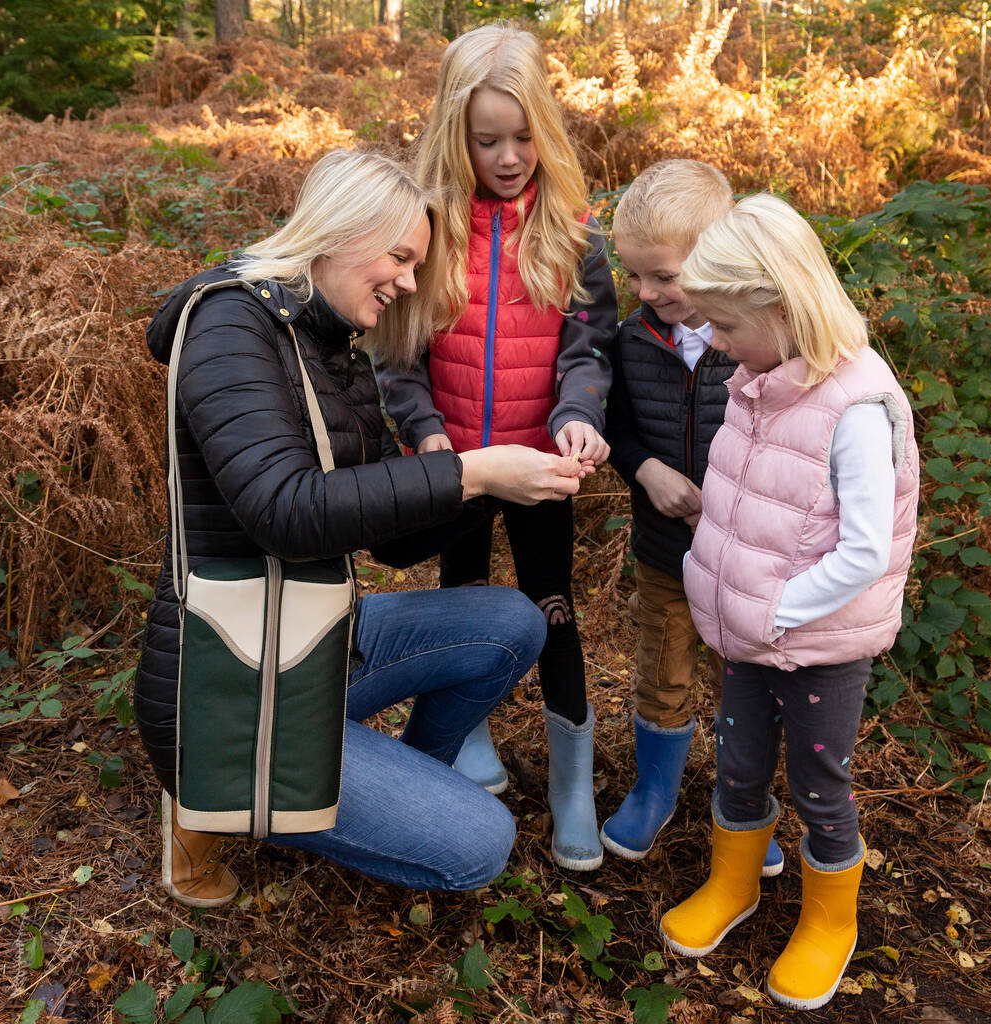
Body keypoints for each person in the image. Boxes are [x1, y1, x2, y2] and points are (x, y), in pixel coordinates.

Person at [135, 148, 595, 907]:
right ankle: (214, 794)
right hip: (231, 691)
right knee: (479, 845)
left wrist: (505, 489)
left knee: (512, 622)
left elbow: (391, 538)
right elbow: (284, 510)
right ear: (343, 233)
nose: (409, 282)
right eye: (401, 258)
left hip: (311, 642)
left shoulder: (328, 341)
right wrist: (470, 472)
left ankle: (373, 786)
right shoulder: (229, 326)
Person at [657, 193, 920, 1010]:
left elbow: (865, 551)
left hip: (817, 649)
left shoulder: (857, 409)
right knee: (736, 764)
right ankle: (734, 885)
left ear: (780, 304)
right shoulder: (761, 381)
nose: (719, 345)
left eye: (728, 327)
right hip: (747, 639)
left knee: (819, 785)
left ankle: (829, 921)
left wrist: (772, 608)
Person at [373, 24, 617, 872]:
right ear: (454, 133)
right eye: (487, 141)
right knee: (462, 598)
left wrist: (578, 412)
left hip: (541, 467)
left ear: (544, 129)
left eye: (523, 137)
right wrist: (425, 432)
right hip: (455, 468)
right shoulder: (427, 227)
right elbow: (396, 357)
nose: (509, 157)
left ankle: (572, 784)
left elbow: (589, 346)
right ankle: (468, 729)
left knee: (553, 610)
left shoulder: (572, 229)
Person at [600, 160, 784, 874]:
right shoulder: (633, 342)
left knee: (740, 680)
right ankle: (655, 790)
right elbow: (615, 424)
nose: (646, 293)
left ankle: (744, 809)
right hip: (665, 551)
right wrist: (643, 469)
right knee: (663, 667)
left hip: (746, 559)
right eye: (634, 276)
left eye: (664, 277)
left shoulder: (761, 347)